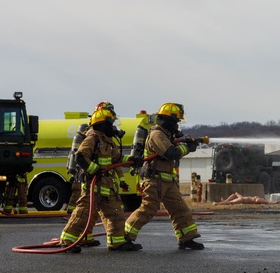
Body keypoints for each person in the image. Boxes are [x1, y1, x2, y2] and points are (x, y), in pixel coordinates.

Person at [58, 106, 142, 253]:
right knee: (83, 213)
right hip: (93, 185)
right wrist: (93, 169)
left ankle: (116, 243)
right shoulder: (92, 138)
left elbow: (117, 159)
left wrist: (131, 159)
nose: (113, 128)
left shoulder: (108, 141)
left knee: (116, 213)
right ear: (102, 125)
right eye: (110, 124)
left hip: (107, 187)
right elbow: (80, 156)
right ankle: (67, 241)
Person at [124, 103, 204, 250]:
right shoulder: (157, 135)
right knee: (148, 209)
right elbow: (170, 153)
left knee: (180, 209)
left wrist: (187, 144)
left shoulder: (166, 136)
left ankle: (186, 237)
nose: (177, 125)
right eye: (176, 122)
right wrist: (188, 148)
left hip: (166, 181)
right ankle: (125, 236)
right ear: (168, 121)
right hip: (154, 180)